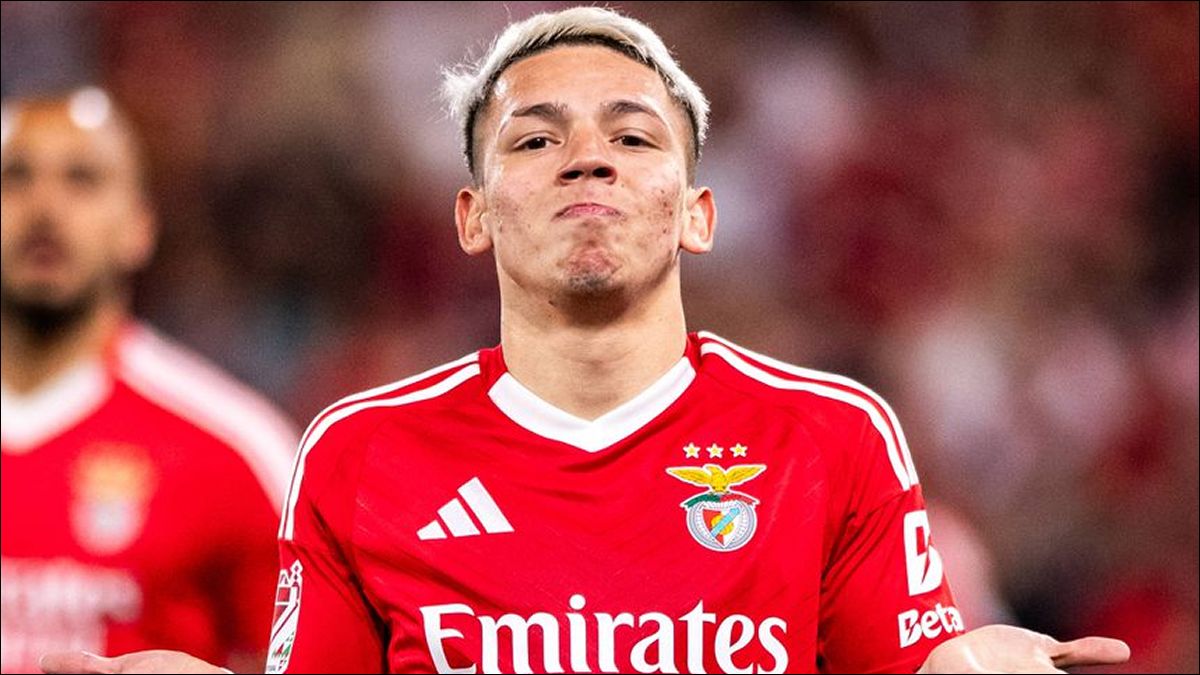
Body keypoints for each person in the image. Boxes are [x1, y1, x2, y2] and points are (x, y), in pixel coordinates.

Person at [39, 8, 1130, 674]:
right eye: (535, 139)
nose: (588, 158)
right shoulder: (358, 455)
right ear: (472, 216)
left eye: (633, 135)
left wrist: (966, 665)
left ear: (698, 213)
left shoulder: (831, 437)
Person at [1, 87, 299, 673]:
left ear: (139, 227)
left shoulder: (236, 446)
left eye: (82, 179)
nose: (44, 207)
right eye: (14, 177)